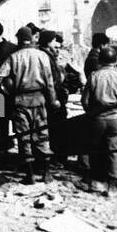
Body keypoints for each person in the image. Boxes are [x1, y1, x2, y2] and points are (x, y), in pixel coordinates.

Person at [1, 26, 59, 183]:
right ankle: (46, 173)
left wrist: (7, 89)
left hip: (20, 101)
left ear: (19, 39)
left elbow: (0, 77)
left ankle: (30, 175)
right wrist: (53, 101)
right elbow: (49, 82)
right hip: (39, 99)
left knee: (24, 137)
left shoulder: (14, 57)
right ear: (32, 38)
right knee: (42, 135)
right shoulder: (42, 56)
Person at [81, 45, 117, 195]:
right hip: (115, 118)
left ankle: (96, 181)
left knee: (95, 150)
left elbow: (84, 101)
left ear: (101, 60)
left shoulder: (94, 76)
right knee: (113, 151)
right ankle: (113, 181)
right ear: (115, 61)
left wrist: (91, 113)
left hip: (97, 118)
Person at [39, 30, 73, 164]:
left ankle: (56, 157)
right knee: (55, 129)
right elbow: (50, 81)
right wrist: (54, 100)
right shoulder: (45, 57)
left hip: (55, 98)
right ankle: (55, 158)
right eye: (55, 43)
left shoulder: (49, 55)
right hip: (52, 99)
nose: (57, 48)